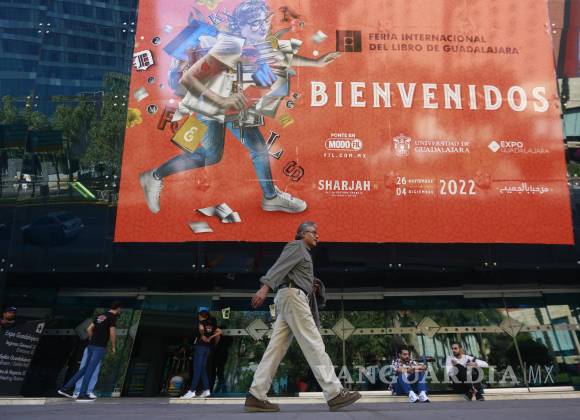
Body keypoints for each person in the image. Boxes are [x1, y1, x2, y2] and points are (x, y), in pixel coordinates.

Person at [139, 0, 340, 215]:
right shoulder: (230, 46)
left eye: (264, 21)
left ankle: (270, 197)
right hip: (211, 107)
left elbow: (281, 58)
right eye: (255, 23)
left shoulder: (257, 43)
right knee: (211, 156)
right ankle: (154, 176)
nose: (262, 27)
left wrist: (316, 63)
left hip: (234, 109)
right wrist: (222, 101)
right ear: (240, 25)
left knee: (258, 149)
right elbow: (190, 79)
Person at [245, 221, 361, 412]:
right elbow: (279, 267)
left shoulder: (303, 252)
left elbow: (292, 274)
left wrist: (310, 285)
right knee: (314, 343)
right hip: (293, 297)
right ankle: (334, 393)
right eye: (313, 232)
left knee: (275, 350)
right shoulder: (297, 246)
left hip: (290, 297)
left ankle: (256, 395)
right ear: (301, 234)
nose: (317, 236)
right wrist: (264, 288)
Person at [58, 301, 123, 402]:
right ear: (118, 308)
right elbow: (112, 333)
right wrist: (113, 347)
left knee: (84, 369)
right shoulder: (112, 318)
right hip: (99, 347)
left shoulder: (100, 316)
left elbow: (89, 329)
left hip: (90, 346)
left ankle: (65, 389)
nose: (121, 311)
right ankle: (82, 394)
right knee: (90, 370)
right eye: (121, 309)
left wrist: (92, 339)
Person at [180, 307, 221, 399]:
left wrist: (203, 335)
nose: (198, 317)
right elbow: (219, 332)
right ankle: (206, 390)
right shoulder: (212, 324)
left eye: (199, 315)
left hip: (200, 347)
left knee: (197, 368)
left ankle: (192, 391)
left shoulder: (202, 322)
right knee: (202, 369)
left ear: (201, 315)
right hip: (207, 348)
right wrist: (211, 338)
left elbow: (201, 329)